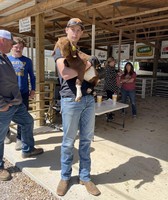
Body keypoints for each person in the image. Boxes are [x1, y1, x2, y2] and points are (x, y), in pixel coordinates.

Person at [53, 18, 101, 196]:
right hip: (71, 100)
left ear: (81, 33)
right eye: (72, 29)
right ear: (66, 30)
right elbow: (65, 73)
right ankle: (65, 177)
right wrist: (87, 67)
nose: (75, 32)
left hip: (88, 98)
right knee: (68, 142)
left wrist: (90, 67)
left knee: (87, 140)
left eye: (78, 30)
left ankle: (85, 177)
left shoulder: (78, 51)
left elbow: (88, 71)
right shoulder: (60, 47)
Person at [0, 30, 43, 181]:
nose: (13, 46)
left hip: (16, 102)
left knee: (28, 121)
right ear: (2, 41)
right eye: (11, 43)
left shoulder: (5, 58)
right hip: (5, 105)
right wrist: (1, 105)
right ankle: (0, 167)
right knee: (0, 135)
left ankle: (28, 149)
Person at [5, 37, 36, 151]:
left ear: (23, 48)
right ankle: (6, 134)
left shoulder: (27, 61)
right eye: (16, 47)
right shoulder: (6, 59)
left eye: (20, 47)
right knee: (6, 115)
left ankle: (20, 138)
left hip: (23, 93)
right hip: (8, 94)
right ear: (12, 47)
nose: (18, 49)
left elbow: (32, 76)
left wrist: (33, 89)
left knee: (23, 117)